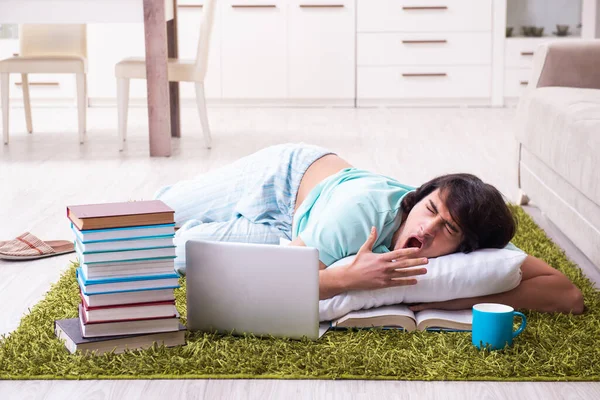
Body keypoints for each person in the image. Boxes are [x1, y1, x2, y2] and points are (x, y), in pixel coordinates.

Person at [154, 143, 584, 315]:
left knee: (179, 251)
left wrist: (462, 297)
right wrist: (346, 278)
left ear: (466, 247)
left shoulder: (470, 252)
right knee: (152, 215)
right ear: (418, 197)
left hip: (294, 230)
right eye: (429, 208)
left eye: (448, 228)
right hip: (285, 178)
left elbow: (567, 293)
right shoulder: (361, 214)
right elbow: (274, 286)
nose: (428, 227)